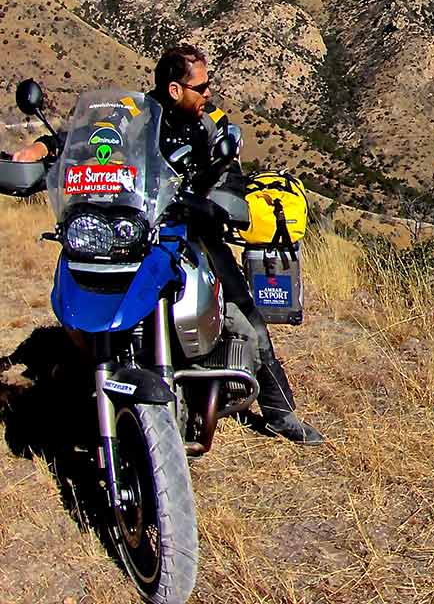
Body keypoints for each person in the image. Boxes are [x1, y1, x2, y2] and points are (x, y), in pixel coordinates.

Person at [15, 44, 324, 445]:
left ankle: (280, 411)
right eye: (202, 86)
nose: (209, 93)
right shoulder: (133, 113)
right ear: (175, 90)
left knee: (246, 316)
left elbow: (228, 173)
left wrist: (221, 205)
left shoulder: (211, 121)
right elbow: (84, 141)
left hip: (193, 227)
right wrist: (39, 150)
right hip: (140, 227)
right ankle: (87, 375)